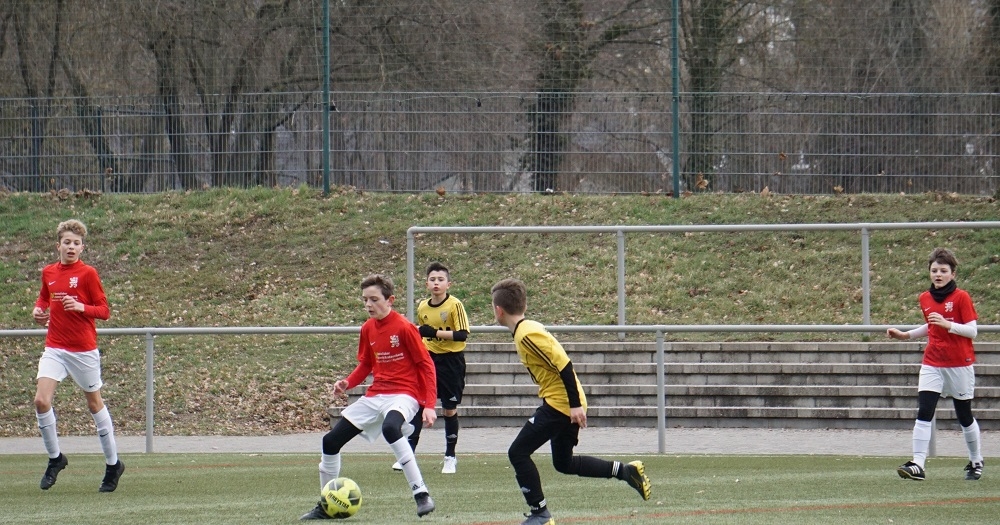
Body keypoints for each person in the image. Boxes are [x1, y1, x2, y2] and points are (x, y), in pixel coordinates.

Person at [490, 278, 651, 525]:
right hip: (564, 402)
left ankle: (540, 514)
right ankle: (626, 471)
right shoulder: (526, 329)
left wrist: (574, 405)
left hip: (560, 404)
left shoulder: (526, 334)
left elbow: (564, 364)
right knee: (564, 463)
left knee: (518, 452)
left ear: (498, 310)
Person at [300, 274, 438, 520]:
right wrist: (348, 382)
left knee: (391, 428)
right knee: (330, 441)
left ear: (390, 299)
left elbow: (426, 365)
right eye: (365, 300)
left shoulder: (404, 327)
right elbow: (366, 364)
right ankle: (325, 503)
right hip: (376, 394)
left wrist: (428, 405)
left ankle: (421, 494)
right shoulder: (367, 328)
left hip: (404, 394)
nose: (368, 305)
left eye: (374, 299)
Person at [31, 219, 124, 492]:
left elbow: (104, 311)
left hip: (83, 350)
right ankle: (55, 459)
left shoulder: (88, 274)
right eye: (67, 242)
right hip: (55, 348)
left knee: (95, 405)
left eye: (76, 243)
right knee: (40, 401)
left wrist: (81, 306)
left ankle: (113, 464)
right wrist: (38, 312)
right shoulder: (48, 272)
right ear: (58, 245)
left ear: (82, 247)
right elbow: (43, 300)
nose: (71, 247)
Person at [887, 247, 984, 481]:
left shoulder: (962, 297)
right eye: (934, 270)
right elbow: (930, 327)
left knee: (964, 415)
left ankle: (976, 460)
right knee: (924, 410)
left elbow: (972, 331)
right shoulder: (925, 298)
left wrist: (947, 324)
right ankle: (917, 463)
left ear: (953, 273)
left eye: (943, 270)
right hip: (932, 362)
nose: (938, 274)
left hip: (959, 363)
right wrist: (906, 335)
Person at [392, 262, 471, 474]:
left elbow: (462, 334)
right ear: (427, 283)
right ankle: (408, 454)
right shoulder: (422, 306)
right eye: (433, 279)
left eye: (441, 279)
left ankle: (450, 456)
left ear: (448, 284)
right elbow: (421, 333)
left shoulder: (455, 305)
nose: (436, 283)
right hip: (429, 359)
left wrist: (433, 332)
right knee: (419, 404)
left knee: (449, 408)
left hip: (452, 361)